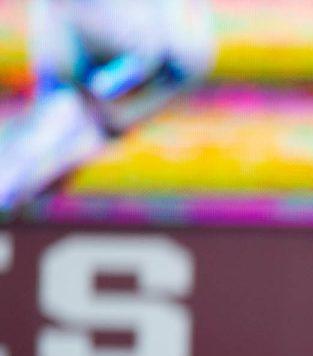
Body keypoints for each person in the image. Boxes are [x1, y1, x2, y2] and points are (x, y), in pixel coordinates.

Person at [0, 0, 214, 213]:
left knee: (65, 119)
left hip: (133, 88)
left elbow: (176, 60)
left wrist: (104, 89)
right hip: (94, 98)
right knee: (62, 119)